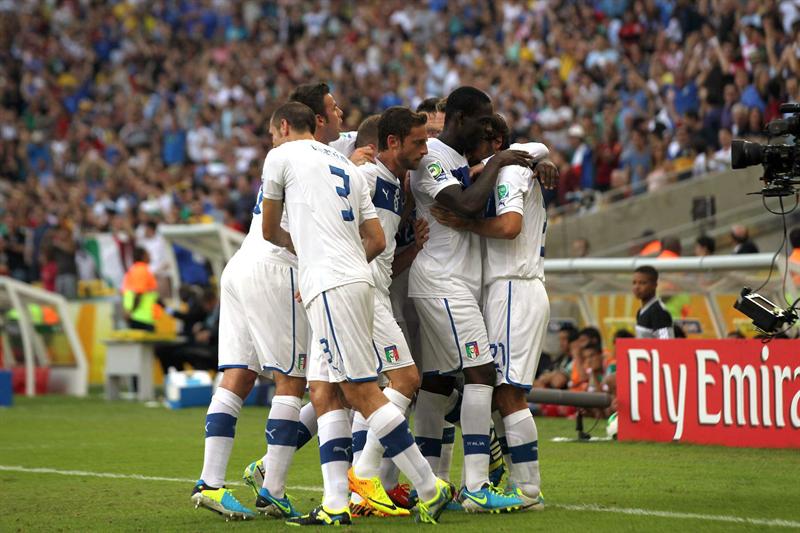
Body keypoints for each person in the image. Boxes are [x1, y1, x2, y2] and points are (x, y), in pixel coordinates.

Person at [261, 102, 453, 526]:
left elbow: (269, 230)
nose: (273, 140)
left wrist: (311, 257)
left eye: (274, 133)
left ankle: (428, 485)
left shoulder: (284, 156)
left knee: (361, 390)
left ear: (285, 127)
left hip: (329, 283)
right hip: (357, 281)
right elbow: (377, 238)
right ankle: (335, 503)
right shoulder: (347, 167)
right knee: (323, 390)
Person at [408, 86, 533, 513]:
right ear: (460, 118)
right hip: (443, 282)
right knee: (481, 373)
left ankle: (428, 482)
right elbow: (462, 205)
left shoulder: (460, 160)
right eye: (482, 121)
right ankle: (477, 484)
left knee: (439, 382)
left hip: (453, 282)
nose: (487, 128)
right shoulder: (431, 160)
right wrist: (497, 163)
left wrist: (522, 163)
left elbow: (475, 200)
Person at [431, 112, 557, 509]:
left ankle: (529, 491)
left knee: (507, 392)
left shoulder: (511, 171)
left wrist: (465, 226)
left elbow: (509, 227)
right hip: (506, 289)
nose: (471, 147)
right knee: (493, 388)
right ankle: (513, 482)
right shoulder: (500, 169)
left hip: (514, 286)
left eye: (482, 140)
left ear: (498, 142)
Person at [190, 125, 316, 520]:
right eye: (333, 109)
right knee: (292, 381)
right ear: (315, 119)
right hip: (277, 269)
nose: (339, 114)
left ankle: (210, 483)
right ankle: (273, 489)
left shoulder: (282, 159)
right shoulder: (316, 157)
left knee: (238, 376)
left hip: (241, 265)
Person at [121, 247, 159, 332]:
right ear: (142, 256)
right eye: (148, 255)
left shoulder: (133, 270)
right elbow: (138, 293)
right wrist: (131, 311)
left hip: (137, 316)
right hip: (141, 317)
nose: (150, 257)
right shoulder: (142, 271)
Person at [632, 266, 674, 339]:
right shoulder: (641, 311)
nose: (636, 287)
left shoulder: (659, 312)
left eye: (642, 283)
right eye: (634, 283)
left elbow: (667, 344)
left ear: (654, 285)